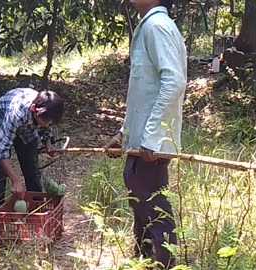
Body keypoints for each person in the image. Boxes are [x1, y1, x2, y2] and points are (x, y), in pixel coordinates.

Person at [104, 0, 187, 268]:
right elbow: (143, 93)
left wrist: (151, 137)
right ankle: (143, 258)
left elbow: (173, 82)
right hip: (141, 141)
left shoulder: (157, 27)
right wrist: (123, 133)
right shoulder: (150, 25)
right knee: (138, 196)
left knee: (154, 205)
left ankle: (165, 263)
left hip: (151, 145)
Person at [0, 88, 64, 209]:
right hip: (1, 123)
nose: (48, 124)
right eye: (47, 121)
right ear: (36, 111)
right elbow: (1, 151)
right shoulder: (16, 113)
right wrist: (16, 180)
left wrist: (48, 143)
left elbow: (45, 126)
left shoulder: (44, 110)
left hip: (27, 130)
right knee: (0, 172)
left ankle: (37, 208)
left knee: (32, 169)